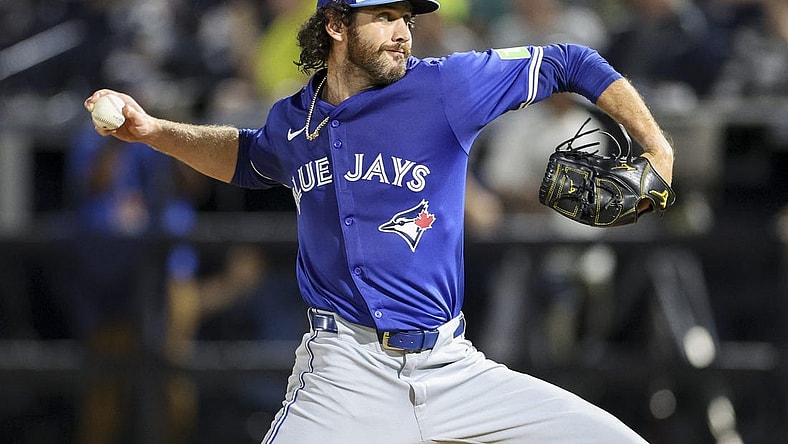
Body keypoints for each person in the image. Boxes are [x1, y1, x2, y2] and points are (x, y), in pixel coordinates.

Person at [84, 1, 674, 442]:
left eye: (407, 19)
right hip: (345, 372)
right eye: (386, 16)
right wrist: (155, 132)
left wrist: (656, 147)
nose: (403, 33)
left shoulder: (445, 86)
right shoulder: (295, 120)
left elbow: (570, 60)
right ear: (337, 26)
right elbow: (245, 155)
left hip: (453, 367)